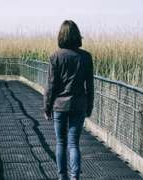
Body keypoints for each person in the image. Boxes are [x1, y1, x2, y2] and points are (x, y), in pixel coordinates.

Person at [43, 20, 94, 180]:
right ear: (77, 35)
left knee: (61, 143)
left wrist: (47, 107)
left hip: (59, 106)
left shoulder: (55, 56)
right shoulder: (86, 57)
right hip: (79, 105)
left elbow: (51, 85)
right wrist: (89, 106)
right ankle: (74, 178)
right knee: (73, 144)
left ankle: (62, 177)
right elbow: (90, 86)